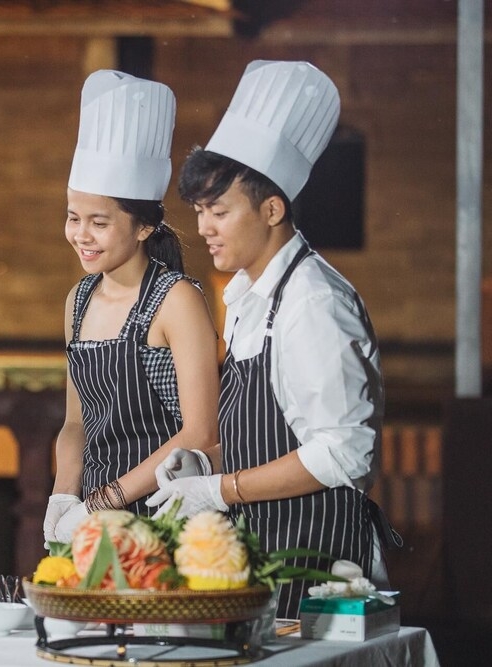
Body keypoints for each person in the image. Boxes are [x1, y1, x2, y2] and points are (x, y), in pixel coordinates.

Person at [147, 60, 399, 618]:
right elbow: (270, 433)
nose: (204, 227)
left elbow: (345, 453)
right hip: (266, 554)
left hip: (320, 563)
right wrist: (204, 464)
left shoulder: (313, 301)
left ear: (272, 209)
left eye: (219, 211)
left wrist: (221, 491)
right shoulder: (248, 295)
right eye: (198, 212)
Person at [41, 70, 220, 545]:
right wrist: (63, 498)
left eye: (99, 222)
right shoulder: (77, 301)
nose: (81, 234)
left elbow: (201, 433)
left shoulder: (176, 299)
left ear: (143, 227)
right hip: (93, 516)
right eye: (73, 217)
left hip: (171, 517)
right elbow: (77, 422)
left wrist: (102, 502)